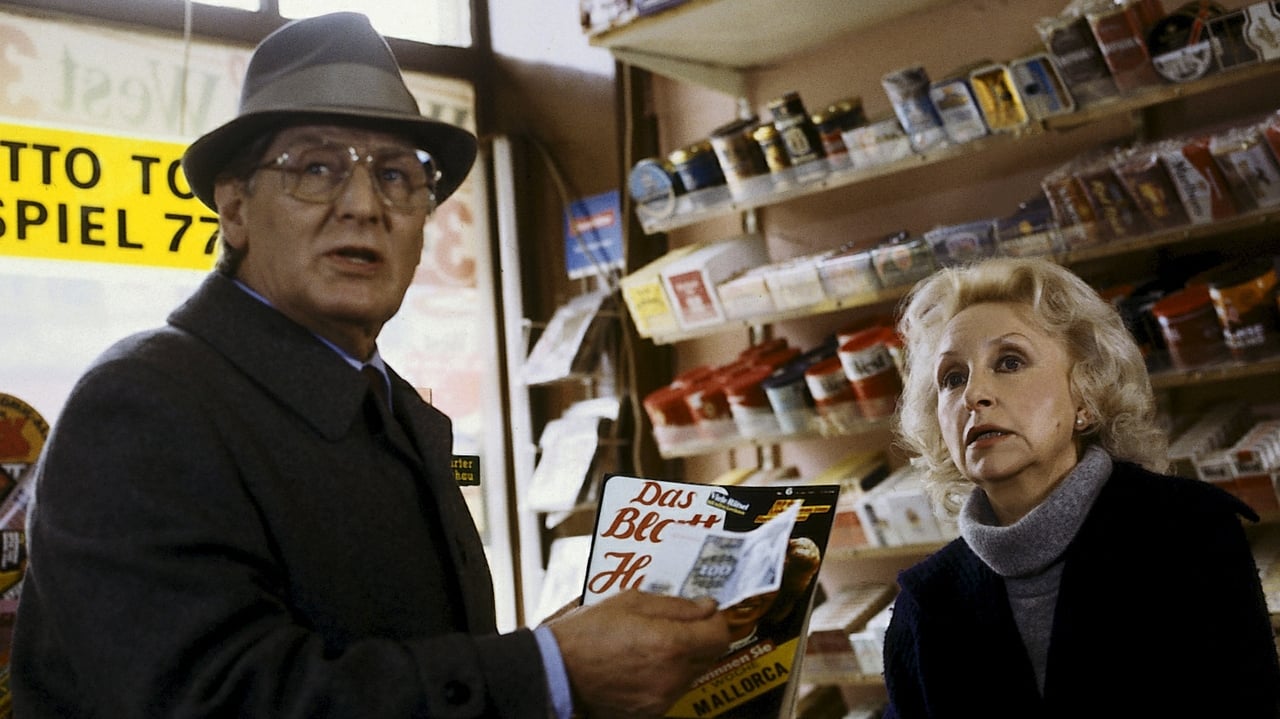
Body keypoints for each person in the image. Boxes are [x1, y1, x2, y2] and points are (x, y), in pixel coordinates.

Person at [10, 12, 729, 719]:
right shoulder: (144, 405)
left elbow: (409, 648)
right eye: (315, 168)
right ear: (234, 209)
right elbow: (211, 698)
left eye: (395, 175)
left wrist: (560, 655)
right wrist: (544, 670)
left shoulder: (401, 411)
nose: (364, 206)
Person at [882, 256, 1280, 718]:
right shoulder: (923, 604)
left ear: (1085, 397)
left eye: (1009, 362)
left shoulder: (1189, 533)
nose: (974, 395)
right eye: (953, 378)